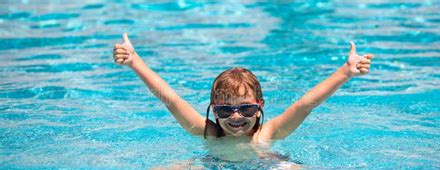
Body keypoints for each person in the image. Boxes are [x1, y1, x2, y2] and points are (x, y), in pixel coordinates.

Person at [113, 33, 374, 144]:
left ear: (259, 106)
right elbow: (169, 99)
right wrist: (135, 62)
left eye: (246, 108)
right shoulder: (209, 133)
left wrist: (345, 72)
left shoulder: (268, 134)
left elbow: (306, 104)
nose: (236, 117)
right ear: (214, 111)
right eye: (225, 111)